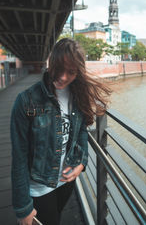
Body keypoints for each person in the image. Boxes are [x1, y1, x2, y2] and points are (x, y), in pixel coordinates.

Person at [10, 38, 111, 225]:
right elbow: (19, 157)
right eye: (59, 68)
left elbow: (81, 131)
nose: (63, 77)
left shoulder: (77, 93)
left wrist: (81, 162)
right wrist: (23, 207)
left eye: (71, 72)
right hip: (39, 189)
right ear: (50, 62)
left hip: (66, 183)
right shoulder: (26, 101)